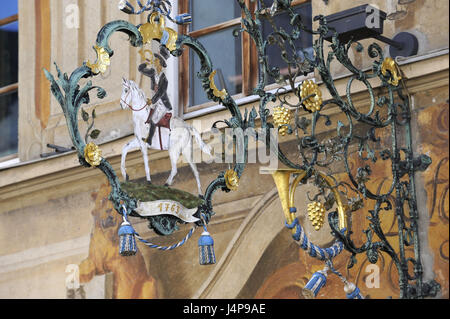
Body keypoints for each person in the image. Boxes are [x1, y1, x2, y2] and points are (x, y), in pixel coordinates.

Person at [138, 45, 173, 145]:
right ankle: (150, 139)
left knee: (153, 120)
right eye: (155, 59)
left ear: (161, 64)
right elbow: (141, 69)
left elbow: (161, 93)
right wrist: (145, 63)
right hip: (156, 102)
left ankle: (150, 140)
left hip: (163, 103)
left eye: (157, 60)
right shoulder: (153, 73)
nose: (155, 61)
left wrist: (152, 101)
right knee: (149, 118)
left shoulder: (164, 79)